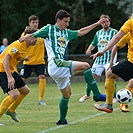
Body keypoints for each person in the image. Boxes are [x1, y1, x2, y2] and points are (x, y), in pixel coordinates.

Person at [20, 9, 107, 125]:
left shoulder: (66, 32)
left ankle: (62, 120)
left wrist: (97, 24)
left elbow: (80, 32)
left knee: (67, 95)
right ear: (58, 20)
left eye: (68, 22)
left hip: (58, 67)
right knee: (86, 66)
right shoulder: (49, 28)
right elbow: (33, 34)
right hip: (56, 64)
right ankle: (96, 95)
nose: (67, 24)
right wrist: (21, 40)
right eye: (65, 21)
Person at [92, 14, 133, 113]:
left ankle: (109, 105)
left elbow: (117, 36)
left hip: (132, 63)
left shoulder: (131, 22)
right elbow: (116, 45)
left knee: (109, 74)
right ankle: (123, 105)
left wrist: (103, 50)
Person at [0, 26, 37, 126]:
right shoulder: (18, 45)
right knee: (14, 94)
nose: (37, 40)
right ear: (28, 37)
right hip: (2, 70)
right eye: (35, 37)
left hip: (10, 70)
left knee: (25, 91)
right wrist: (9, 77)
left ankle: (11, 110)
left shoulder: (27, 47)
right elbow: (5, 60)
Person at [79, 14, 118, 103]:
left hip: (110, 59)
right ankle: (87, 94)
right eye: (103, 22)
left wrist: (114, 47)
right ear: (100, 23)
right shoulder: (98, 33)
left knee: (110, 76)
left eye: (107, 21)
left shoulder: (114, 32)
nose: (105, 23)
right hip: (99, 59)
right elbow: (94, 43)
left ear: (109, 22)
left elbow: (119, 43)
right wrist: (89, 49)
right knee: (91, 76)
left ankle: (114, 96)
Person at [19, 15, 47, 106]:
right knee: (22, 80)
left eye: (36, 22)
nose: (35, 24)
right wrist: (24, 56)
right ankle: (17, 98)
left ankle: (41, 99)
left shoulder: (42, 33)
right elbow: (20, 46)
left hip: (39, 61)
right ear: (29, 23)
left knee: (42, 76)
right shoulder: (25, 34)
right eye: (33, 22)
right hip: (28, 61)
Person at [108, 32, 131, 112]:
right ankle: (123, 104)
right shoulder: (129, 34)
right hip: (130, 63)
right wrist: (111, 64)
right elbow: (116, 47)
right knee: (110, 74)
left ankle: (109, 105)